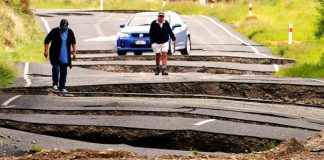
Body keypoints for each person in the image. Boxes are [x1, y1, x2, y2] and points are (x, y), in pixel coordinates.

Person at [44, 19, 76, 93]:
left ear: (67, 27)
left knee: (63, 71)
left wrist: (74, 53)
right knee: (56, 68)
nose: (63, 30)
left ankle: (62, 87)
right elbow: (46, 40)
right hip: (55, 54)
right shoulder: (54, 31)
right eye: (62, 28)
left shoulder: (70, 32)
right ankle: (55, 84)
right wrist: (45, 51)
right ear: (60, 26)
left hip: (65, 55)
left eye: (65, 28)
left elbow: (73, 43)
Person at [149, 12, 176, 76]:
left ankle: (164, 69)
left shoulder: (166, 23)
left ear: (163, 17)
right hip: (156, 42)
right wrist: (152, 42)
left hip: (165, 41)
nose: (161, 18)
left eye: (162, 16)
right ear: (157, 16)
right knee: (158, 54)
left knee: (164, 53)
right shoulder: (153, 23)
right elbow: (151, 33)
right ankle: (157, 68)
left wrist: (173, 39)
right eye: (160, 16)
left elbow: (170, 31)